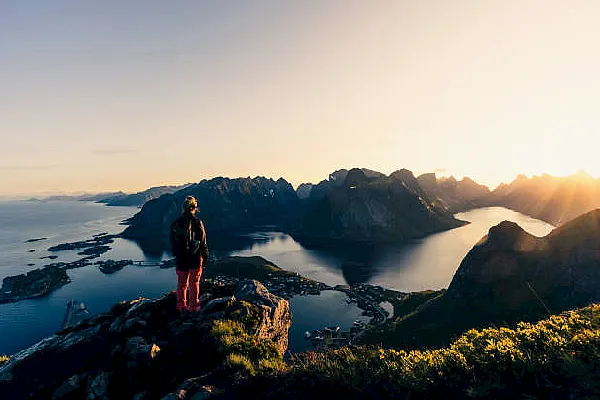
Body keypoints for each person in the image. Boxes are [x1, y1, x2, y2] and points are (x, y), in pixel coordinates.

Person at [170, 195, 209, 312]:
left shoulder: (175, 223)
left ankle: (181, 306)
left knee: (181, 284)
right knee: (194, 283)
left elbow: (172, 243)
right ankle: (193, 307)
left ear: (183, 208)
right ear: (194, 208)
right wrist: (205, 256)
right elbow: (202, 242)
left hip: (181, 259)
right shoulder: (197, 222)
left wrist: (178, 255)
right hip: (195, 258)